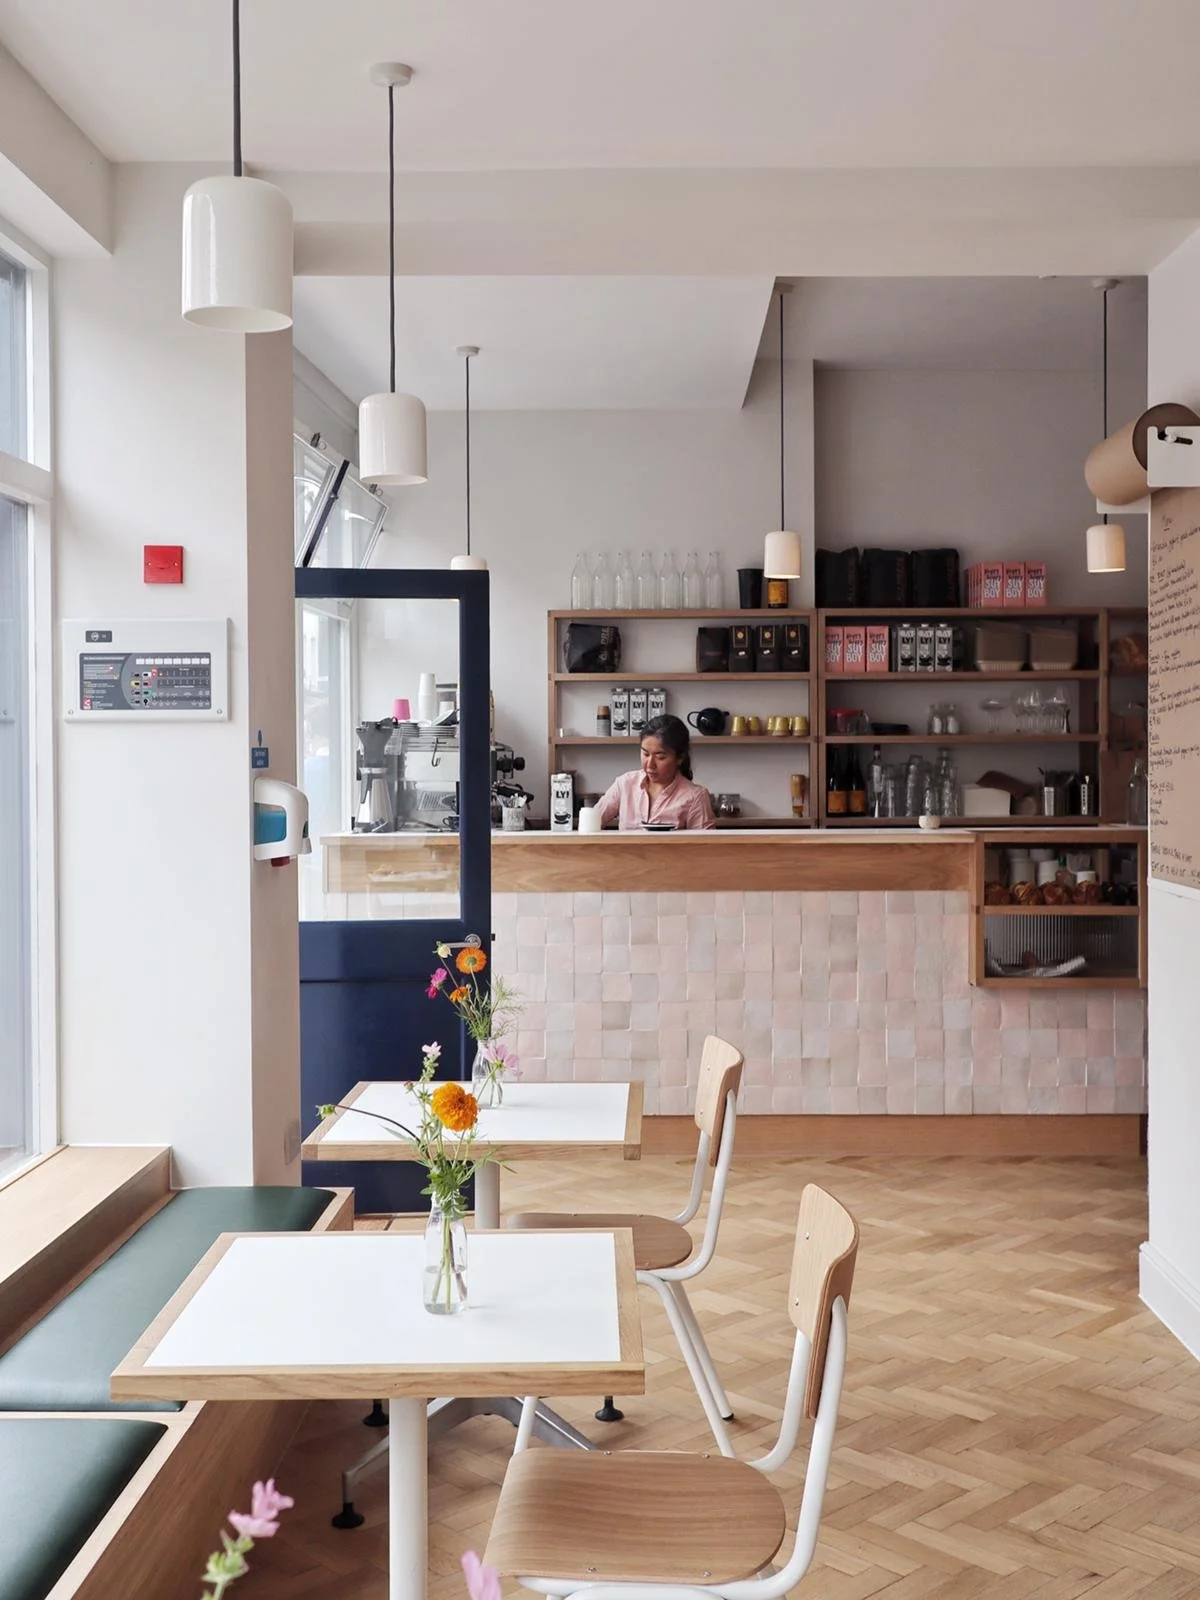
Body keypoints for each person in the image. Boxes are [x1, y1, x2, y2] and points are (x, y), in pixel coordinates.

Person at [596, 713, 715, 830]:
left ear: (680, 758)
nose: (650, 764)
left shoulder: (695, 796)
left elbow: (705, 847)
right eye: (645, 754)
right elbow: (590, 823)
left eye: (660, 757)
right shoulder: (625, 784)